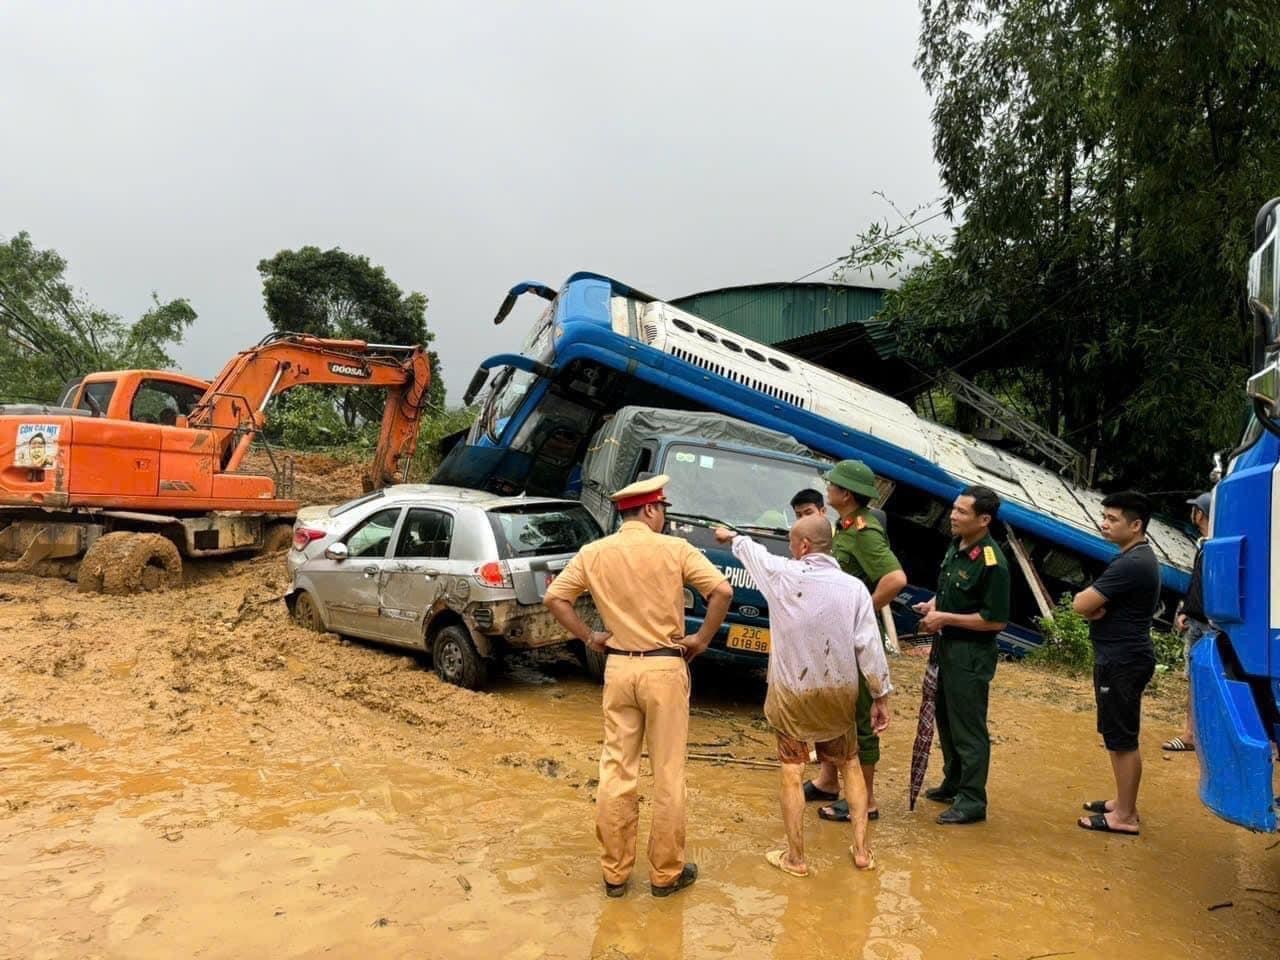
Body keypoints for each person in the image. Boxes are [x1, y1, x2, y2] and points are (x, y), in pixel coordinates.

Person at [544, 474, 733, 898]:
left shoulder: (594, 553)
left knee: (616, 769)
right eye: (662, 509)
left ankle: (615, 873)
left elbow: (555, 598)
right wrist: (700, 640)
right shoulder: (674, 549)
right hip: (665, 668)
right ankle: (665, 875)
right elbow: (720, 591)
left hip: (619, 669)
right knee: (667, 774)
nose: (664, 517)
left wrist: (589, 636)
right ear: (649, 509)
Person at [713, 515, 892, 874]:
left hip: (792, 693)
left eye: (794, 544)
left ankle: (795, 858)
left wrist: (731, 536)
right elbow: (869, 648)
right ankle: (862, 852)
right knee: (850, 765)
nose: (791, 550)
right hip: (838, 694)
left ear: (805, 546)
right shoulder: (854, 588)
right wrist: (880, 696)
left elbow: (753, 553)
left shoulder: (783, 575)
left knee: (792, 769)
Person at [806, 461, 907, 824]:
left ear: (846, 494)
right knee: (834, 712)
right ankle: (828, 782)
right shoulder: (843, 526)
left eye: (832, 485)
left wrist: (862, 611)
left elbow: (895, 578)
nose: (827, 489)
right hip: (837, 639)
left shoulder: (865, 533)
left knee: (860, 715)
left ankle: (865, 800)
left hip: (855, 641)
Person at [913, 485, 1011, 825]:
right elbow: (952, 592)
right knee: (945, 718)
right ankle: (953, 781)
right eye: (954, 509)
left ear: (983, 520)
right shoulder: (958, 546)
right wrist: (934, 606)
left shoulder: (992, 562)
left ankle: (972, 799)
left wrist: (945, 618)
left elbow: (994, 620)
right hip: (945, 647)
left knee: (968, 726)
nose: (953, 516)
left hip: (970, 654)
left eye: (962, 512)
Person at [1071, 490, 1161, 836]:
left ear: (1136, 525)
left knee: (1122, 739)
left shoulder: (1131, 563)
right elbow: (1091, 606)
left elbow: (1081, 604)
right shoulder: (1136, 557)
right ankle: (1123, 802)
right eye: (1104, 516)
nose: (1104, 523)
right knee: (1117, 736)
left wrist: (1093, 609)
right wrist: (1095, 608)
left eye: (1113, 519)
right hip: (1122, 656)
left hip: (1122, 660)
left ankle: (1124, 815)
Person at [1164, 492, 1212, 752]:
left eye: (1195, 509)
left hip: (1210, 624)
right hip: (1196, 619)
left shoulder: (1216, 545)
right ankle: (1190, 734)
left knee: (1209, 681)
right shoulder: (1203, 544)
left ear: (1201, 513)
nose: (1192, 513)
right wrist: (1185, 609)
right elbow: (1197, 582)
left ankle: (1198, 734)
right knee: (1194, 679)